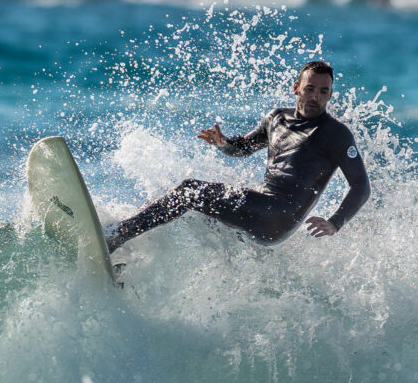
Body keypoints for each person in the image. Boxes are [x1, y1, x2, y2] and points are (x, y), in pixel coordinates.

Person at [106, 60, 370, 253]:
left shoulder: (336, 134)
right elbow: (243, 148)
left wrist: (335, 222)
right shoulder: (276, 117)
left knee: (191, 191)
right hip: (261, 209)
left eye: (324, 92)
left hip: (279, 215)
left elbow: (361, 186)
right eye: (310, 88)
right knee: (194, 215)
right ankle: (133, 263)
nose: (316, 97)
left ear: (330, 94)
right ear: (296, 88)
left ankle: (117, 235)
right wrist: (223, 144)